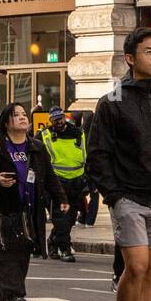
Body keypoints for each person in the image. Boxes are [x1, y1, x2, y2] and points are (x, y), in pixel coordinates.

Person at [88, 27, 151, 301]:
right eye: (149, 51)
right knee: (135, 266)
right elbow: (98, 155)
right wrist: (114, 196)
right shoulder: (113, 101)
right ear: (131, 59)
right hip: (129, 197)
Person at [0, 102, 66, 301]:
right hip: (2, 214)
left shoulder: (36, 147)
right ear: (6, 122)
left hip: (29, 213)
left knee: (22, 259)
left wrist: (61, 198)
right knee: (6, 259)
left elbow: (49, 176)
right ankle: (15, 297)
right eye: (16, 115)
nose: (23, 117)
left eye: (24, 114)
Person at [41, 107, 86, 262]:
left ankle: (53, 242)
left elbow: (86, 155)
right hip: (56, 184)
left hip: (76, 182)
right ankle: (65, 249)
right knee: (61, 219)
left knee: (71, 219)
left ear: (64, 117)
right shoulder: (44, 135)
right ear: (50, 121)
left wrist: (87, 180)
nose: (58, 122)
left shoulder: (78, 134)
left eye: (60, 119)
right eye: (55, 120)